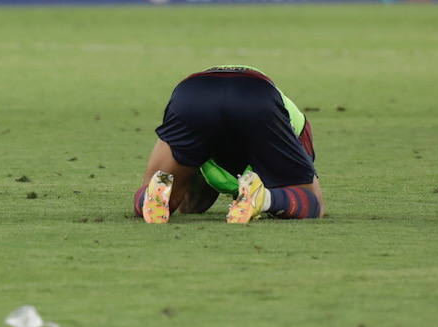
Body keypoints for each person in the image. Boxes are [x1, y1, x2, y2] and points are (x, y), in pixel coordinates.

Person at [135, 65, 323, 225]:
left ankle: (152, 198)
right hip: (256, 95)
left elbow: (191, 207)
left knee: (156, 187)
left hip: (193, 94)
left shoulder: (209, 156)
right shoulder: (298, 127)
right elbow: (305, 194)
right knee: (314, 203)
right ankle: (263, 199)